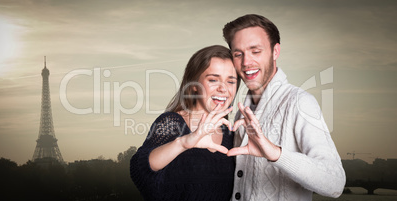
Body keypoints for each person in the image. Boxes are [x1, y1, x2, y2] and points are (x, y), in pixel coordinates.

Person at [222, 14, 346, 200]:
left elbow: (335, 183)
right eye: (238, 54)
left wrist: (275, 154)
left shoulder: (299, 102)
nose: (246, 62)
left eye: (255, 51)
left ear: (275, 51)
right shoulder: (241, 112)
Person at [130, 45, 240, 201]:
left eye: (231, 81)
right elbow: (140, 169)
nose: (223, 88)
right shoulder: (172, 122)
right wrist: (183, 143)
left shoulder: (231, 134)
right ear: (194, 85)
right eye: (213, 80)